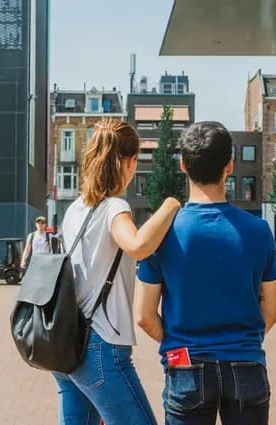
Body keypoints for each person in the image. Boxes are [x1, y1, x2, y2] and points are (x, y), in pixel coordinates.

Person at [136, 121, 276, 425]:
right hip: (246, 364)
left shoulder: (162, 234)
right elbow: (272, 310)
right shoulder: (259, 231)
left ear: (183, 165)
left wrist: (178, 341)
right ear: (230, 165)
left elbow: (145, 316)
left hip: (186, 365)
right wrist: (242, 341)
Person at [54, 118, 179, 425]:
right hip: (100, 347)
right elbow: (137, 245)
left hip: (66, 342)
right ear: (130, 161)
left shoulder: (75, 209)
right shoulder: (114, 208)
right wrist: (170, 206)